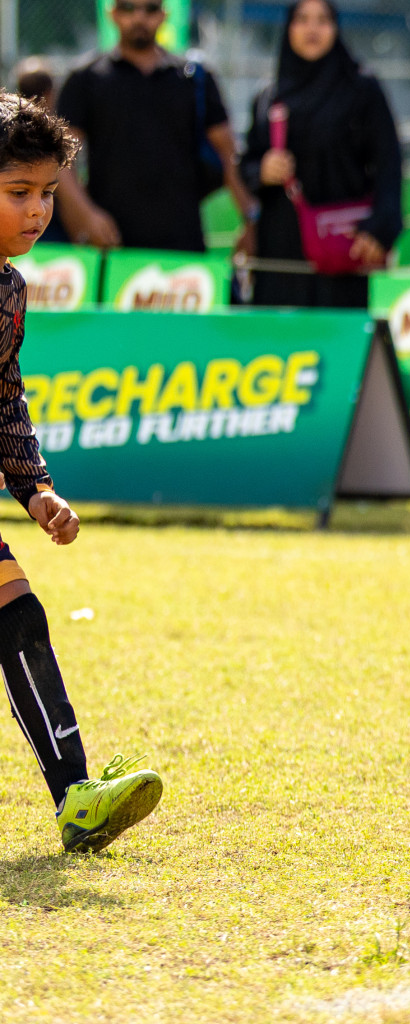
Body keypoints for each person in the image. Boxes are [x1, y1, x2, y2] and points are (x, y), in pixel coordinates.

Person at [0, 92, 163, 850]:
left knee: (18, 615)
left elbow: (4, 396)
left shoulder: (9, 290)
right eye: (18, 192)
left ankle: (76, 798)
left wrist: (36, 489)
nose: (38, 211)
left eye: (47, 193)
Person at [239, 0, 403, 309]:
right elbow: (245, 165)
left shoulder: (361, 89)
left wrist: (380, 229)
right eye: (302, 20)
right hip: (282, 251)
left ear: (335, 28)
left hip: (344, 248)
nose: (312, 29)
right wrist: (262, 170)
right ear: (288, 28)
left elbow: (389, 164)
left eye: (322, 20)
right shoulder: (269, 97)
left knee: (340, 331)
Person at [54, 0, 253, 252]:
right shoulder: (85, 77)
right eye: (128, 8)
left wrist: (250, 219)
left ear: (163, 15)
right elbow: (61, 158)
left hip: (182, 241)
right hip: (112, 242)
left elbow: (228, 153)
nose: (139, 17)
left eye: (150, 9)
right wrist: (85, 214)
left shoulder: (194, 78)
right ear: (112, 14)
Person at [14, 59, 68, 245]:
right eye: (18, 192)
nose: (37, 207)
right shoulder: (55, 137)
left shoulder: (7, 133)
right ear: (50, 93)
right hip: (55, 234)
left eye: (47, 192)